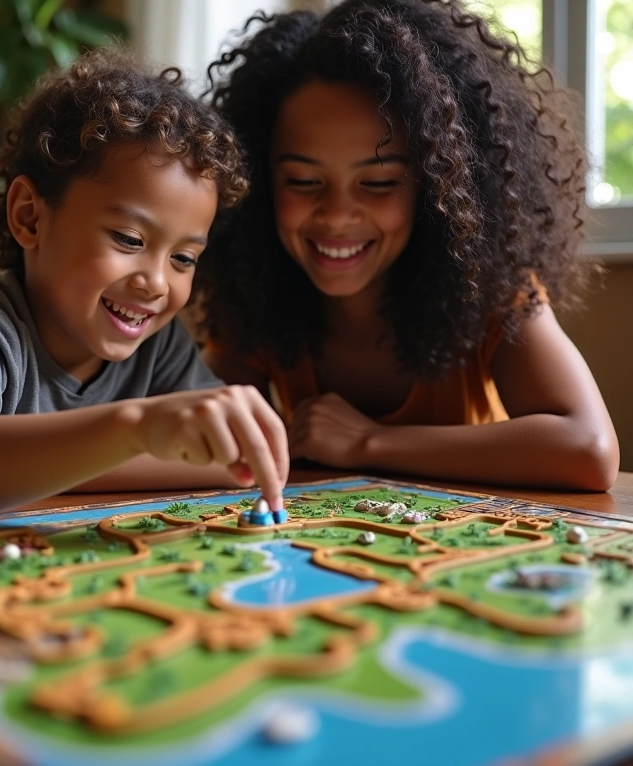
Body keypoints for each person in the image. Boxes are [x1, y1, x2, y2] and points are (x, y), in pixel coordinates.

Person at [195, 0, 619, 491]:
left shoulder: (492, 291)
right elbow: (201, 443)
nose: (337, 215)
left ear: (437, 185)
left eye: (377, 183)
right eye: (303, 181)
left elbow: (588, 450)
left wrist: (369, 442)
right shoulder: (254, 299)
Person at [0, 48, 288, 518]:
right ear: (29, 217)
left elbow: (237, 460)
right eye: (128, 239)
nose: (156, 283)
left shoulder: (159, 347)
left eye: (183, 258)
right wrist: (137, 429)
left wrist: (57, 464)